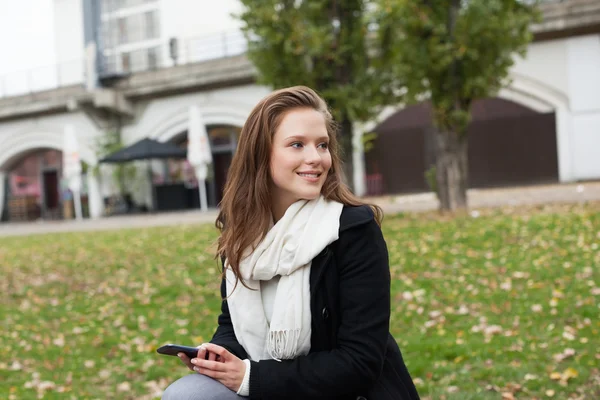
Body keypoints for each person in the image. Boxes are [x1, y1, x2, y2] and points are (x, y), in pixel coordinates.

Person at [162, 86, 420, 400]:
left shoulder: (353, 229)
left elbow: (360, 362)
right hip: (267, 384)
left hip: (347, 393)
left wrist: (250, 377)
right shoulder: (244, 232)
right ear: (262, 153)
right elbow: (233, 325)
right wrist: (218, 357)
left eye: (322, 145)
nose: (315, 158)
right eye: (297, 144)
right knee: (188, 395)